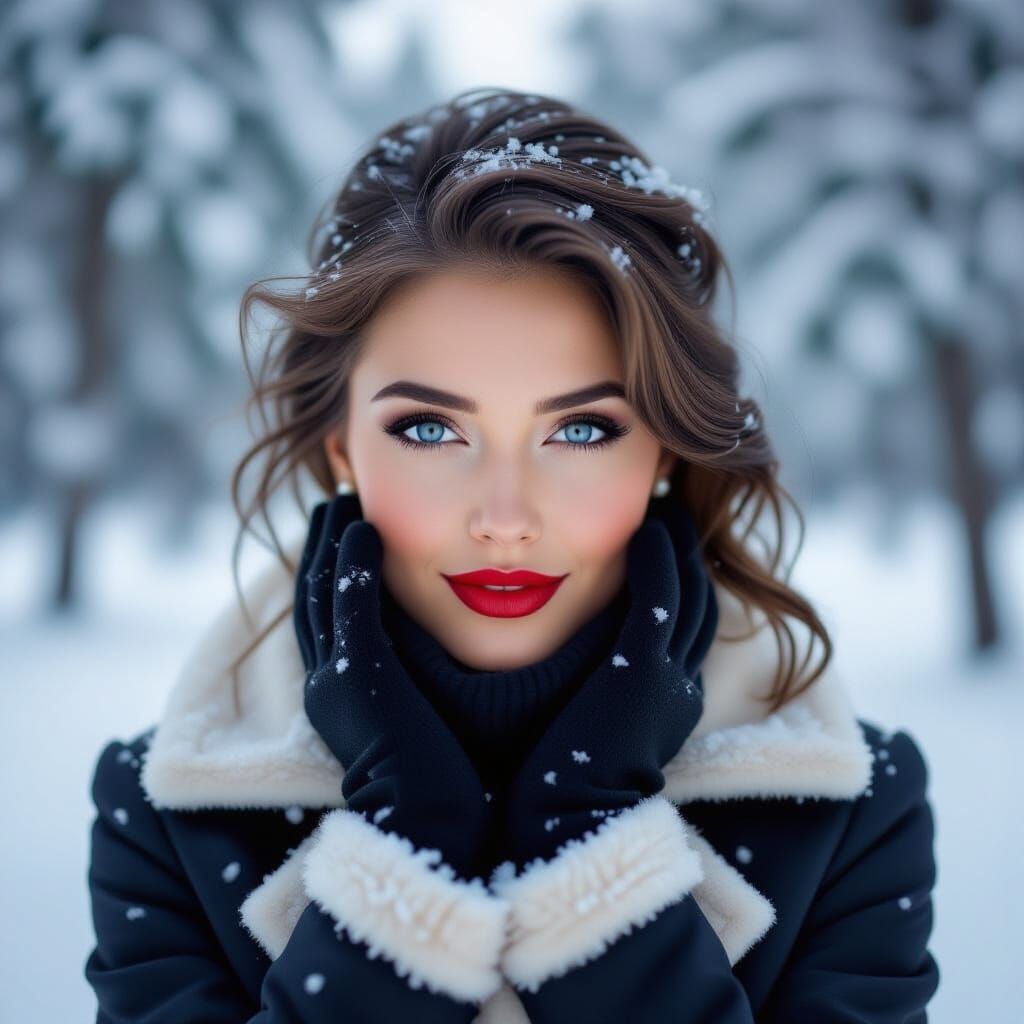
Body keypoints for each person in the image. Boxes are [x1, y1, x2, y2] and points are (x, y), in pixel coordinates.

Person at [83, 87, 940, 1022]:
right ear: (340, 447)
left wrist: (591, 834)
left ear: (664, 449)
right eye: (427, 428)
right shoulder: (165, 813)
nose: (503, 518)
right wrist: (405, 839)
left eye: (579, 430)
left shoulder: (849, 809)